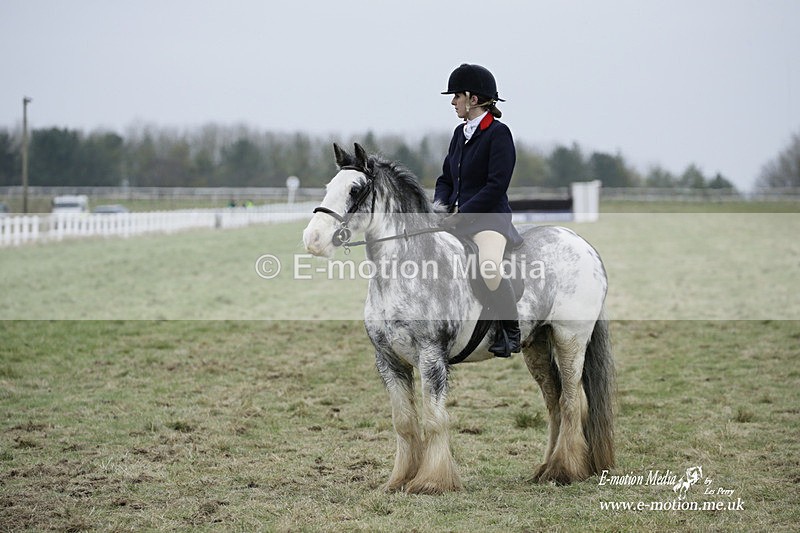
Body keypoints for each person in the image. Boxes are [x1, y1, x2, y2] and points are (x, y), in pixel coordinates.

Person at [434, 63, 523, 358]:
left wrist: (463, 214)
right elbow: (446, 179)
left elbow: (496, 186)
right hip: (458, 220)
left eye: (457, 95)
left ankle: (511, 331)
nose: (452, 101)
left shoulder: (499, 134)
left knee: (488, 266)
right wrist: (439, 208)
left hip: (489, 220)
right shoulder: (460, 134)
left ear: (473, 99)